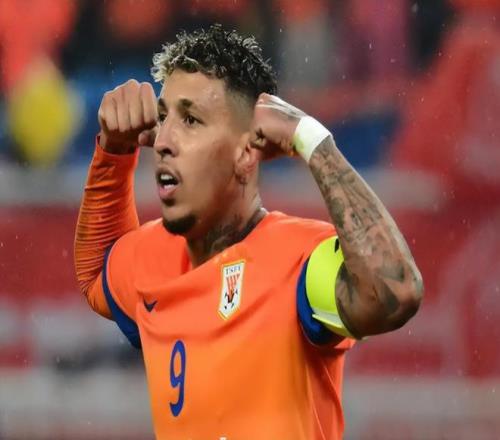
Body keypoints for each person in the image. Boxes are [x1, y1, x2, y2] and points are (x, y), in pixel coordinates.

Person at [74, 24, 423, 440]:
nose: (163, 141)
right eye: (163, 117)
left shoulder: (297, 262)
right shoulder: (154, 257)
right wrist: (114, 152)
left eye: (191, 120)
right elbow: (96, 273)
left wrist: (312, 141)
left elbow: (394, 292)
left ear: (245, 152)